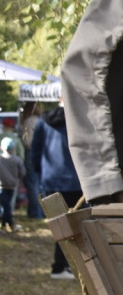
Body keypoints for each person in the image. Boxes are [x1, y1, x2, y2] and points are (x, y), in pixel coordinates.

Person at [31, 102, 82, 278]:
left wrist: (41, 174)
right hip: (75, 180)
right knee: (76, 225)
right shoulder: (77, 118)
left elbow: (35, 152)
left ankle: (61, 266)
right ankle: (64, 266)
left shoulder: (42, 121)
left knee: (59, 226)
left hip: (51, 180)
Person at [19, 103, 45, 219]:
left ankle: (35, 213)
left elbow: (27, 141)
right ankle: (41, 212)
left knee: (32, 183)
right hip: (42, 153)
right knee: (39, 184)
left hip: (31, 152)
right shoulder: (41, 120)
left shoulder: (29, 121)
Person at [0, 136, 26, 233]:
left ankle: (5, 224)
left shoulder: (0, 159)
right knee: (7, 206)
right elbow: (22, 173)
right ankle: (9, 224)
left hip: (1, 186)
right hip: (12, 187)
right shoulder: (17, 160)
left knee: (5, 206)